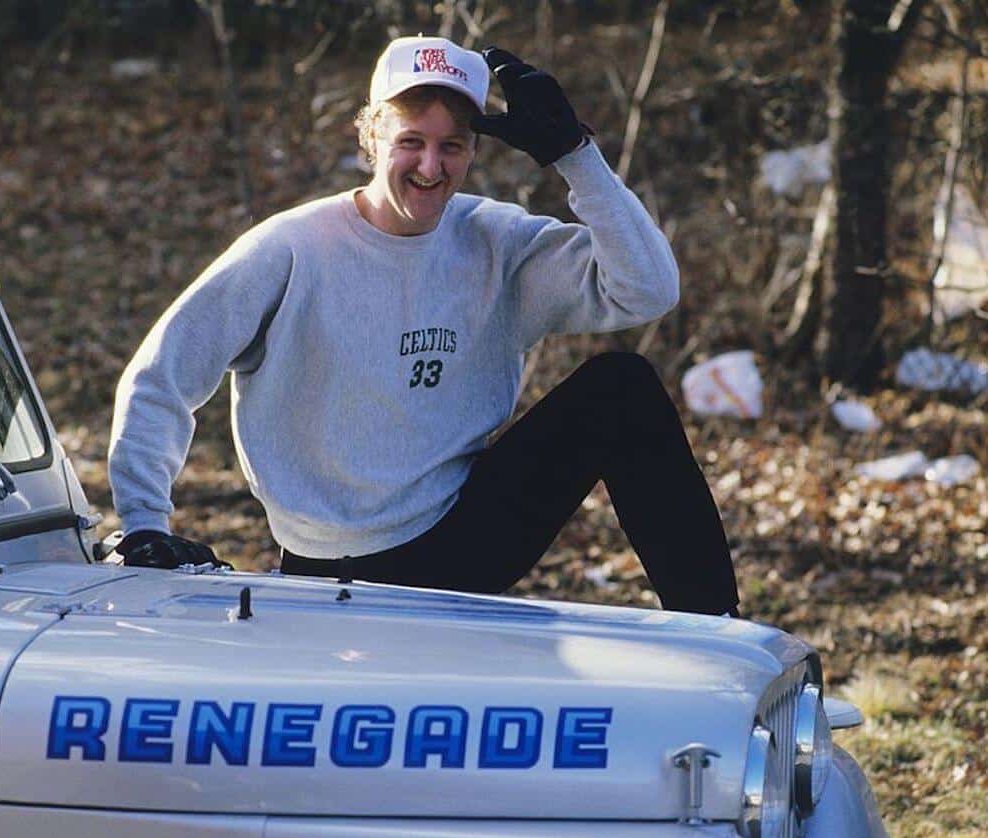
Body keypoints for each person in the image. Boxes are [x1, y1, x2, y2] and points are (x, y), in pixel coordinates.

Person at [109, 36, 739, 616]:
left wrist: (577, 156)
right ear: (372, 137)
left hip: (461, 540)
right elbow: (162, 376)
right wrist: (143, 525)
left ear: (473, 151)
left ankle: (718, 630)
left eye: (452, 146)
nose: (430, 167)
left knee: (621, 387)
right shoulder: (291, 250)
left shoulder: (499, 243)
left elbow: (649, 289)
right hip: (325, 570)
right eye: (411, 141)